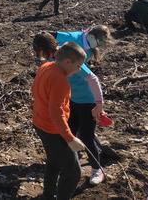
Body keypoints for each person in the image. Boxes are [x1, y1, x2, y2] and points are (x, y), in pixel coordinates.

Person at [33, 33, 108, 186]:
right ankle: (72, 163)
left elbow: (93, 79)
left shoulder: (70, 58)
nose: (39, 57)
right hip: (72, 100)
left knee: (87, 136)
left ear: (45, 50)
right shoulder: (52, 62)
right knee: (71, 133)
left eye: (39, 52)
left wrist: (99, 104)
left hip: (87, 101)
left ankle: (96, 169)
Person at [31, 42, 87, 200]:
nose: (79, 69)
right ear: (68, 62)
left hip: (39, 123)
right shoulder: (60, 80)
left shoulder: (46, 66)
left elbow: (34, 89)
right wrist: (70, 139)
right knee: (73, 172)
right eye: (78, 65)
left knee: (54, 161)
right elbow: (56, 112)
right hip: (53, 130)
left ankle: (48, 196)